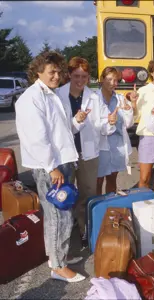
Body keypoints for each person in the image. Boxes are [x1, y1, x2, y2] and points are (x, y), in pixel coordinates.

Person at [15, 51, 85, 282]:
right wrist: (50, 167)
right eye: (51, 72)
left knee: (63, 213)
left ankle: (57, 257)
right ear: (38, 72)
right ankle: (57, 266)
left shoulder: (51, 95)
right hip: (51, 167)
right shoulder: (31, 98)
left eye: (58, 71)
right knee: (57, 216)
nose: (56, 76)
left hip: (61, 162)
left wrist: (76, 122)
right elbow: (36, 138)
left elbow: (61, 130)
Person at [57, 57, 116, 249]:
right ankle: (64, 233)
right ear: (68, 75)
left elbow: (101, 126)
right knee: (64, 195)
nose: (80, 80)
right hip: (65, 154)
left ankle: (84, 231)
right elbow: (59, 129)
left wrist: (110, 123)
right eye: (76, 76)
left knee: (87, 195)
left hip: (88, 154)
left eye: (84, 76)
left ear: (88, 77)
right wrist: (77, 121)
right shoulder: (58, 95)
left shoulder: (95, 97)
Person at [129, 58, 154, 190]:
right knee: (144, 177)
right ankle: (142, 205)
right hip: (148, 136)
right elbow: (135, 115)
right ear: (151, 73)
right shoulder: (144, 91)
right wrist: (133, 103)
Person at [97, 67, 134, 194]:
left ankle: (109, 207)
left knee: (112, 181)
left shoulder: (120, 99)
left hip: (117, 146)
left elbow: (128, 124)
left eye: (116, 80)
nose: (113, 83)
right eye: (109, 79)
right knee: (98, 181)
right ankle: (96, 209)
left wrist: (129, 110)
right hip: (100, 147)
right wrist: (108, 121)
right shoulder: (94, 98)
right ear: (102, 79)